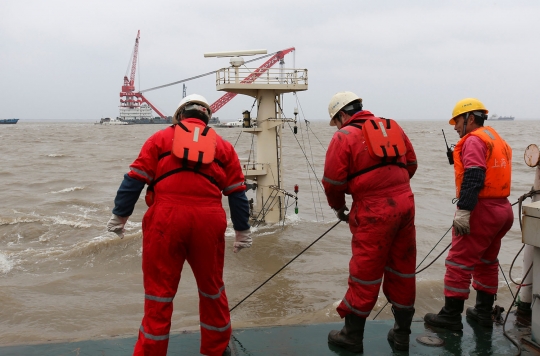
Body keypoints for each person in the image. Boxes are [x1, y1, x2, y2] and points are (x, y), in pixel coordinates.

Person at [106, 94, 252, 356]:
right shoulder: (224, 147)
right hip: (208, 221)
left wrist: (120, 216)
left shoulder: (160, 139)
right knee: (212, 290)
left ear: (179, 116)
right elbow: (237, 192)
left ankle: (150, 352)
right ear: (207, 117)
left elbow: (134, 179)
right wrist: (242, 231)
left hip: (166, 221)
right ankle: (216, 350)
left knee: (159, 295)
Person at [322, 91, 418, 352]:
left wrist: (340, 208)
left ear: (342, 115)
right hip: (405, 204)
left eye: (336, 120)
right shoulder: (392, 127)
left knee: (364, 272)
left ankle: (352, 336)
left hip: (374, 210)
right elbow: (411, 164)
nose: (338, 126)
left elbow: (332, 182)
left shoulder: (344, 137)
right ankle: (402, 335)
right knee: (403, 268)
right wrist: (392, 186)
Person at [424, 98, 513, 330]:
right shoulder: (496, 138)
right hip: (503, 209)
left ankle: (450, 317)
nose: (455, 127)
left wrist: (464, 210)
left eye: (458, 121)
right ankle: (483, 313)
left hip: (481, 210)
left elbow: (474, 175)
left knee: (458, 263)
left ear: (470, 118)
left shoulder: (473, 140)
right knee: (487, 261)